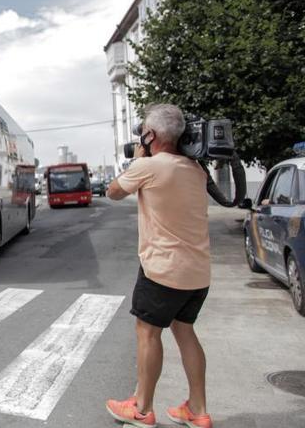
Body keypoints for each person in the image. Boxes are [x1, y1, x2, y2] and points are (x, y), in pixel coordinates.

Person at [105, 104, 213, 428]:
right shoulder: (197, 170)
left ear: (150, 135)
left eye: (142, 134)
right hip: (197, 273)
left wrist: (138, 160)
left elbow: (112, 191)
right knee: (185, 331)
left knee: (147, 332)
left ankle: (141, 408)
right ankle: (198, 409)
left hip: (163, 270)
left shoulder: (149, 167)